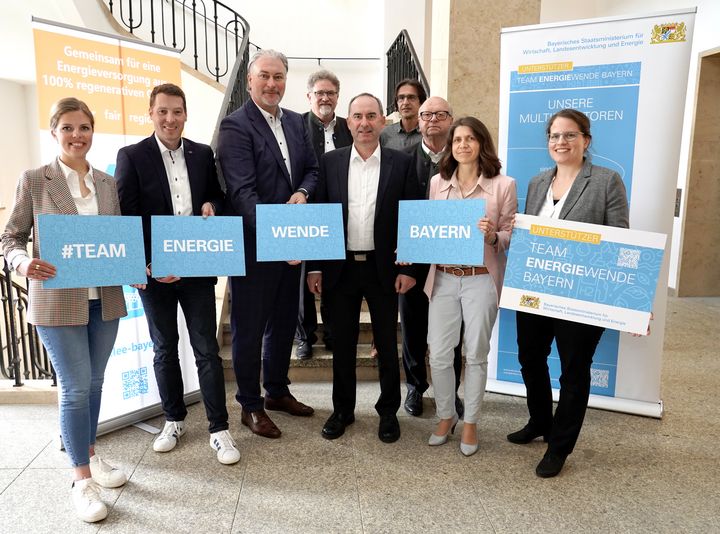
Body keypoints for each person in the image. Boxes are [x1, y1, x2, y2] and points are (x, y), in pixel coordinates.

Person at [2, 98, 127, 522]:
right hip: (56, 301)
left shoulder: (108, 183)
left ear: (93, 132)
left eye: (85, 128)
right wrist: (21, 262)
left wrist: (140, 266)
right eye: (68, 128)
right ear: (54, 132)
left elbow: (116, 240)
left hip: (104, 299)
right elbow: (10, 238)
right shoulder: (36, 180)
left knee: (93, 384)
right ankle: (81, 479)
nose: (78, 136)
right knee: (74, 388)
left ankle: (91, 455)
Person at [115, 83, 240, 465]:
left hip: (197, 265)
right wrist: (147, 263)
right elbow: (127, 213)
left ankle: (219, 429)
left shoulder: (202, 154)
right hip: (155, 271)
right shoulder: (132, 156)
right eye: (163, 111)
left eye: (177, 111)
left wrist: (210, 205)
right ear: (151, 113)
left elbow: (220, 195)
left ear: (186, 114)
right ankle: (174, 419)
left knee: (206, 348)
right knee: (165, 348)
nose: (170, 119)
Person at [507, 108, 629, 477]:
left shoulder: (607, 181)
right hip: (536, 291)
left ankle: (559, 447)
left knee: (574, 371)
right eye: (555, 136)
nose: (561, 142)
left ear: (586, 140)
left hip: (582, 296)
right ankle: (540, 422)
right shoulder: (538, 182)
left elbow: (621, 240)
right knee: (530, 357)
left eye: (569, 135)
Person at [307, 93, 422, 443]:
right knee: (342, 344)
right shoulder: (330, 162)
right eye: (357, 116)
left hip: (384, 268)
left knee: (387, 344)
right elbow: (320, 218)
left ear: (381, 121)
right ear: (348, 121)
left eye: (371, 115)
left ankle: (388, 412)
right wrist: (314, 267)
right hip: (340, 268)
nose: (364, 123)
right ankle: (343, 410)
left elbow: (412, 216)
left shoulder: (401, 163)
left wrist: (411, 268)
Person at [217, 49, 318, 439]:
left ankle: (276, 391)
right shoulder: (235, 126)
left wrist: (305, 194)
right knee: (250, 329)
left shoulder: (297, 122)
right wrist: (280, 240)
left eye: (279, 77)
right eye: (265, 76)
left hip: (292, 245)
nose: (272, 84)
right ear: (250, 80)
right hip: (257, 249)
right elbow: (243, 194)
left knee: (283, 322)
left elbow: (311, 170)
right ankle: (250, 404)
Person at [425, 117, 517, 456]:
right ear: (450, 146)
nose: (463, 145)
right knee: (438, 353)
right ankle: (446, 415)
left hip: (481, 278)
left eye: (470, 139)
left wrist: (493, 235)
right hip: (444, 278)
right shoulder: (438, 182)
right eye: (457, 139)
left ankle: (471, 422)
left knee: (475, 354)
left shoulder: (504, 185)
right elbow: (429, 231)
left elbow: (511, 235)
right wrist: (410, 248)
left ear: (481, 143)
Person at [399, 96, 464, 418]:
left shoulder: (465, 160)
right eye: (427, 115)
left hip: (454, 257)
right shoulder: (401, 158)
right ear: (418, 121)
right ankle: (415, 386)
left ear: (451, 120)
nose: (433, 120)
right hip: (413, 257)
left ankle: (449, 391)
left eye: (441, 114)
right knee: (412, 325)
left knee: (451, 328)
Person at [296, 69, 353, 360]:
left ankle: (332, 331)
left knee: (334, 275)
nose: (325, 98)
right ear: (309, 97)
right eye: (319, 93)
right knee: (304, 274)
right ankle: (305, 335)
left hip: (340, 211)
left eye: (330, 93)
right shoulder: (295, 126)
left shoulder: (349, 127)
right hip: (306, 209)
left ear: (337, 97)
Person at [379, 78, 426, 150]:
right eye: (401, 98)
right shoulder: (385, 134)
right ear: (397, 103)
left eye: (411, 97)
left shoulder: (427, 133)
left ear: (421, 102)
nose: (405, 102)